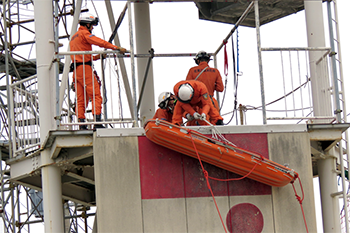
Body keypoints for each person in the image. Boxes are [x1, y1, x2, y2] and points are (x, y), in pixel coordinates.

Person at [70, 12, 127, 130]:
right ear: (87, 24)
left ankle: (81, 123)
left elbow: (84, 56)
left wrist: (98, 57)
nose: (92, 28)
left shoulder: (74, 37)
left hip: (77, 71)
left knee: (81, 99)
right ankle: (97, 121)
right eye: (91, 25)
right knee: (96, 95)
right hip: (85, 69)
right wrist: (116, 48)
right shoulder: (84, 34)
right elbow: (99, 42)